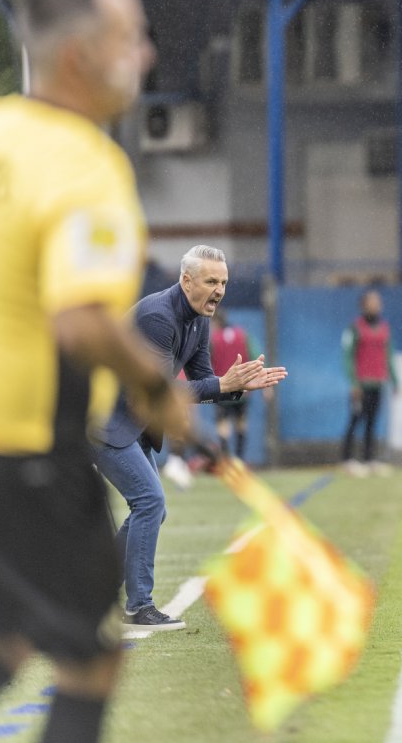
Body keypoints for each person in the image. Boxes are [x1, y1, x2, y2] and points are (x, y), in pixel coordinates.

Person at [0, 0, 192, 743]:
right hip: (26, 449)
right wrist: (155, 386)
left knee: (1, 641)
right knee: (89, 662)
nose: (146, 55)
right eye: (132, 38)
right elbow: (82, 322)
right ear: (80, 56)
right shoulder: (87, 168)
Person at [91, 245, 288, 632]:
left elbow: (203, 382)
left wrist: (238, 386)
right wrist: (222, 384)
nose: (220, 290)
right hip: (105, 422)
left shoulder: (199, 320)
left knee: (153, 507)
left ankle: (94, 589)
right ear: (186, 280)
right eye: (211, 281)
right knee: (150, 501)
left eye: (224, 283)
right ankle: (138, 606)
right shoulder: (157, 317)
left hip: (133, 423)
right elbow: (159, 392)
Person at [340, 289, 396, 475]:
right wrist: (353, 383)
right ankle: (347, 459)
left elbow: (389, 356)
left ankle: (369, 459)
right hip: (361, 385)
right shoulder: (354, 328)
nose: (377, 305)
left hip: (377, 383)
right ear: (364, 306)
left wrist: (395, 380)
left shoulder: (384, 328)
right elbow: (347, 357)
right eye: (372, 302)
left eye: (378, 302)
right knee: (355, 420)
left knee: (372, 422)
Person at [210, 308, 260, 460]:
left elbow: (206, 361)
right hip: (242, 389)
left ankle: (226, 459)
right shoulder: (243, 335)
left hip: (222, 388)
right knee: (241, 423)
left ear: (216, 322)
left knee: (223, 424)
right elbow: (256, 356)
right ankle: (239, 459)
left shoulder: (214, 339)